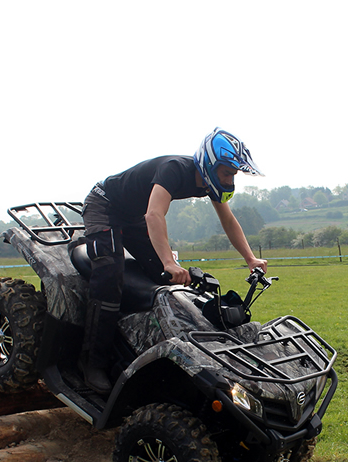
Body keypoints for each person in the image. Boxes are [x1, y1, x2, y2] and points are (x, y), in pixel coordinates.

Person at [78, 127, 267, 394]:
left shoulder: (208, 184)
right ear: (209, 164)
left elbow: (228, 220)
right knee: (110, 276)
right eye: (226, 172)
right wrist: (169, 262)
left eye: (233, 174)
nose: (230, 179)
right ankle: (92, 362)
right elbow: (154, 215)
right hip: (105, 205)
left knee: (166, 279)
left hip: (132, 216)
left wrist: (250, 258)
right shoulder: (174, 169)